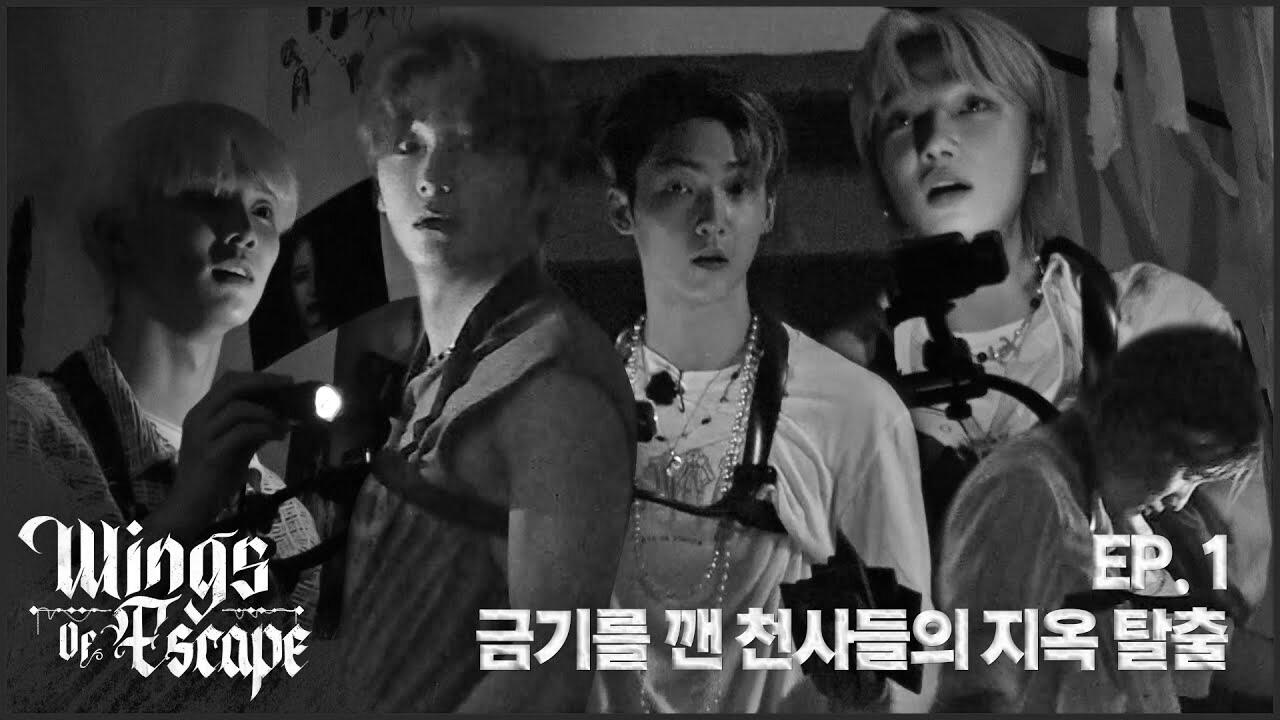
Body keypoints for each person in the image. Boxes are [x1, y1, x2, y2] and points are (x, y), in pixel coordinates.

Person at [848, 7, 1270, 631]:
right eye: (901, 120)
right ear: (882, 179)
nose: (933, 141)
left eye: (972, 106)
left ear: (1038, 145)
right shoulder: (840, 377)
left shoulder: (1157, 322)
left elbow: (1229, 604)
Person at [589, 66, 933, 713]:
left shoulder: (852, 410)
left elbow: (909, 677)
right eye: (678, 187)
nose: (712, 218)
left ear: (768, 208)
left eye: (737, 187)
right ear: (621, 210)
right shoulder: (570, 411)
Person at [330, 21, 636, 712]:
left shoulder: (552, 390)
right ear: (376, 183)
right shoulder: (434, 363)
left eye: (469, 145)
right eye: (408, 146)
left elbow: (550, 673)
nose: (433, 179)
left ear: (536, 183)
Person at [5, 101, 321, 710]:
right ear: (117, 235)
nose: (244, 231)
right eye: (207, 196)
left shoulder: (286, 516)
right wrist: (186, 512)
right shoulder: (27, 430)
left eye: (263, 210)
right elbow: (34, 678)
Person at [934, 326, 1264, 712]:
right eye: (1189, 473)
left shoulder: (1106, 513)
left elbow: (1187, 643)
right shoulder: (1026, 491)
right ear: (1144, 434)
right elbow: (981, 690)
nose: (1180, 500)